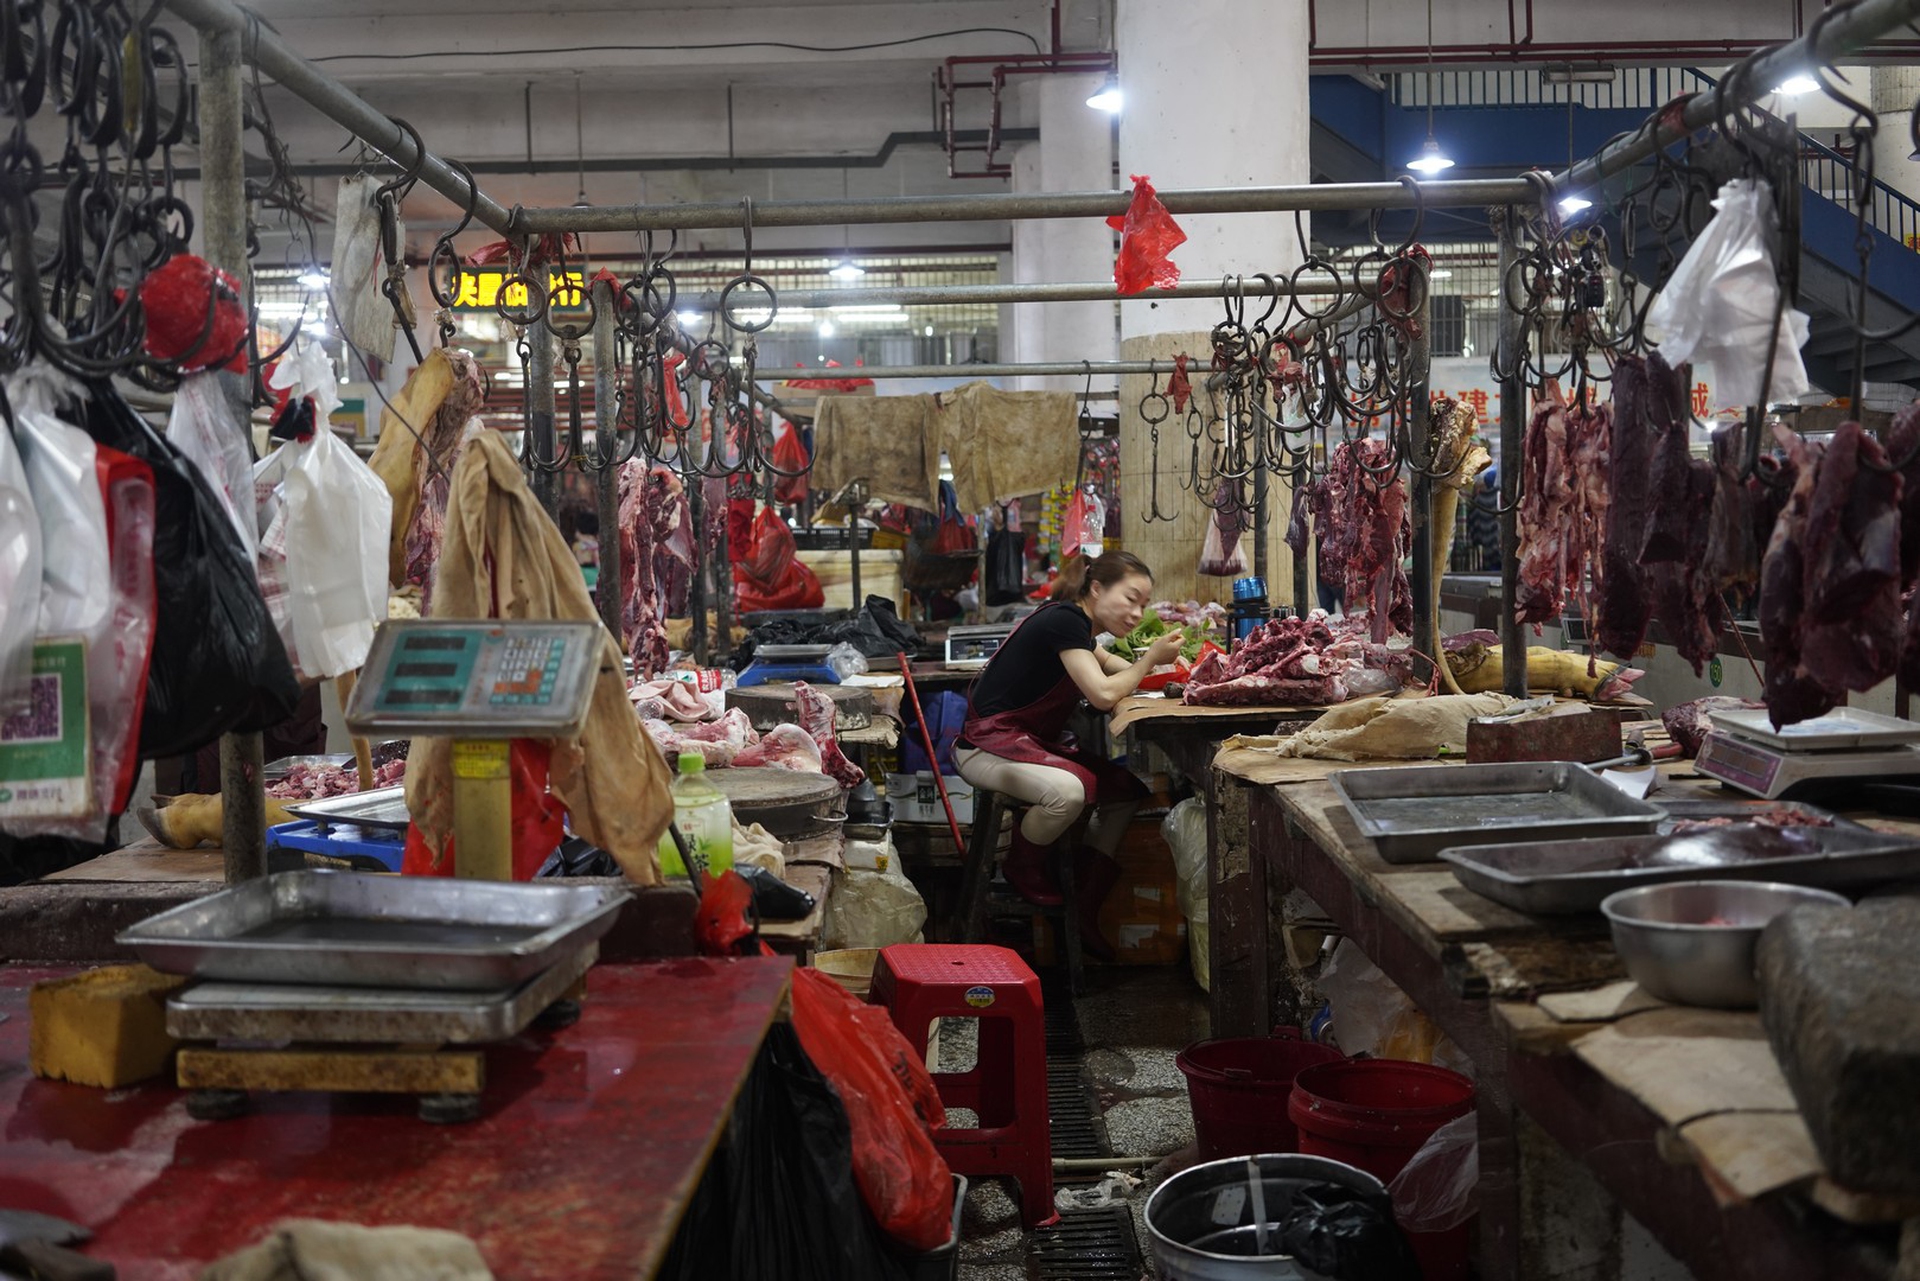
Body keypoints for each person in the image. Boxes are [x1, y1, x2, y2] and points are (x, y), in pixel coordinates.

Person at [954, 550, 1184, 960]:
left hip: (1022, 743)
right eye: (1131, 599)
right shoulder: (1063, 621)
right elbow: (1102, 694)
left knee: (1124, 790)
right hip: (985, 747)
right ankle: (1022, 867)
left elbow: (1114, 667)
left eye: (1144, 605)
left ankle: (1084, 900)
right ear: (1096, 589)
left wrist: (1177, 671)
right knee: (1069, 793)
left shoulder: (1079, 629)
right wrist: (1150, 659)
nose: (1137, 613)